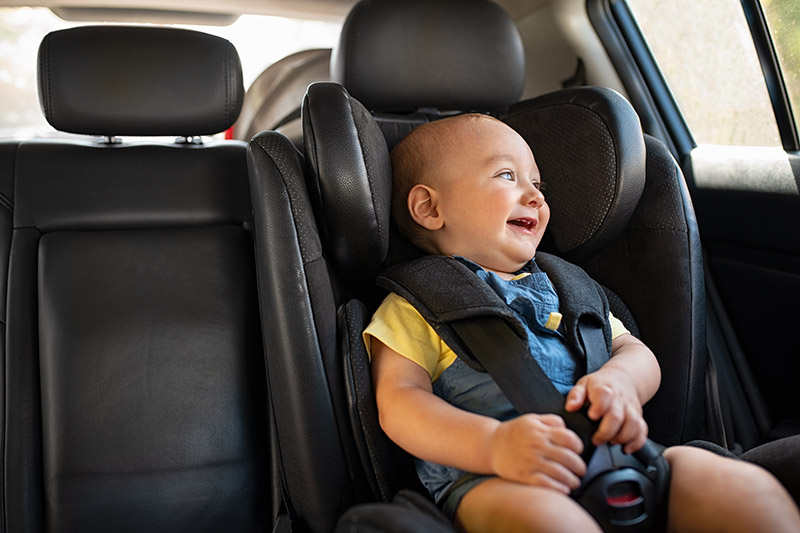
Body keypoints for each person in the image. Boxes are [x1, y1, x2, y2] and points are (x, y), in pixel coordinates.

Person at [364, 113, 800, 532]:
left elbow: (634, 351)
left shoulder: (569, 287)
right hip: (497, 480)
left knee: (742, 491)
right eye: (506, 176)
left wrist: (620, 383)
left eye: (537, 183)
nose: (535, 195)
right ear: (428, 207)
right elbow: (399, 402)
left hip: (622, 458)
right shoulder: (416, 306)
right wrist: (492, 446)